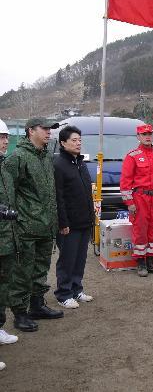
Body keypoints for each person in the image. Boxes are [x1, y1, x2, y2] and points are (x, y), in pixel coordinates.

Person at [4, 117, 63, 333]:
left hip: (46, 226)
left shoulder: (46, 156)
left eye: (50, 129)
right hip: (26, 228)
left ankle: (37, 305)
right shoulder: (17, 157)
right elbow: (8, 193)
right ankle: (20, 313)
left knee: (41, 268)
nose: (49, 132)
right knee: (22, 272)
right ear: (31, 131)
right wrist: (18, 220)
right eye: (44, 129)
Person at [53, 126, 95, 308]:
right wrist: (63, 222)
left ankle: (77, 289)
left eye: (79, 140)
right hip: (68, 223)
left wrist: (91, 217)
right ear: (63, 143)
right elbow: (58, 196)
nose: (78, 143)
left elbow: (87, 193)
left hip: (84, 220)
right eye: (74, 140)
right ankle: (63, 293)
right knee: (67, 259)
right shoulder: (58, 164)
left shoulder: (80, 162)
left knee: (80, 258)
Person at [120, 123, 153, 277]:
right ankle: (140, 263)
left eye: (149, 134)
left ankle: (151, 262)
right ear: (138, 137)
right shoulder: (132, 156)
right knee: (140, 230)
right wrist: (130, 203)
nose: (147, 137)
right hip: (140, 197)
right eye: (144, 134)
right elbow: (125, 182)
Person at [0, 120, 18, 370]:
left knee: (3, 282)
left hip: (5, 235)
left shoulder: (5, 164)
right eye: (1, 137)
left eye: (5, 137)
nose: (5, 141)